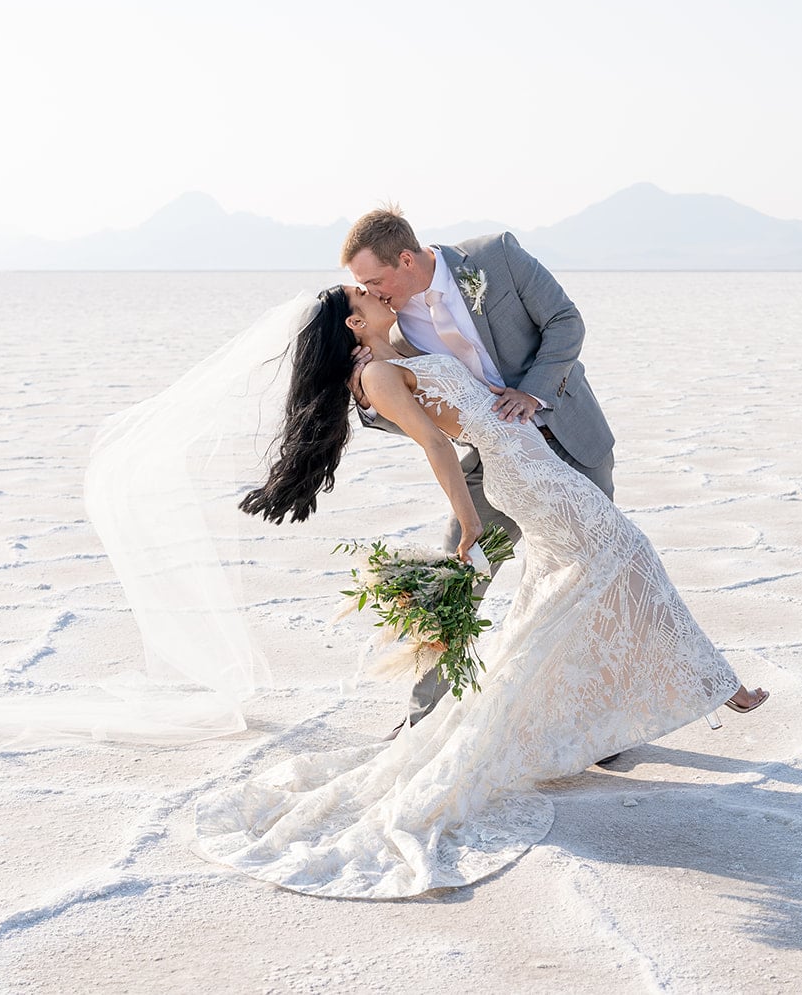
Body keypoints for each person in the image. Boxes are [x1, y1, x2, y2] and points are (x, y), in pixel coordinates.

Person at [192, 285, 768, 899]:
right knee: (629, 557)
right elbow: (437, 444)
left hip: (533, 463)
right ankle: (719, 686)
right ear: (355, 324)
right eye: (364, 294)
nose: (377, 292)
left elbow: (457, 352)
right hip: (523, 475)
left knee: (566, 593)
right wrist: (469, 523)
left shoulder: (393, 351)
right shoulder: (379, 373)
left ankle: (635, 702)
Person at [339, 206, 615, 734]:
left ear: (405, 258)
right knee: (455, 581)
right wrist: (369, 399)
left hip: (573, 441)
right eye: (362, 288)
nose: (372, 293)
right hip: (493, 464)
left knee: (589, 581)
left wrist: (531, 392)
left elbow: (565, 322)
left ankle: (593, 726)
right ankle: (424, 721)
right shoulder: (392, 328)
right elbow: (423, 412)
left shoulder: (497, 256)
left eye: (375, 280)